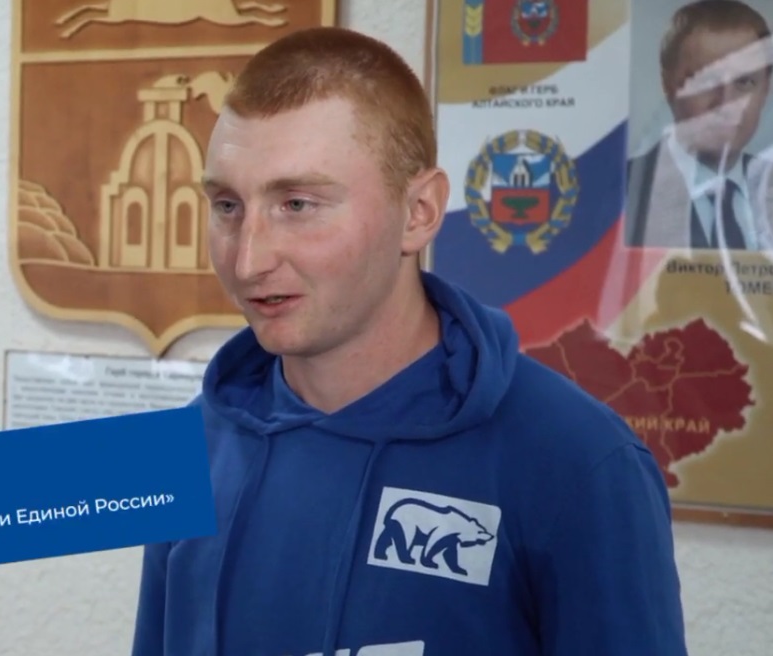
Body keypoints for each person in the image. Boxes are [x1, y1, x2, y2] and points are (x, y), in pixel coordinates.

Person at [130, 26, 688, 656]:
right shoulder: (186, 450)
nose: (249, 260)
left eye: (298, 204)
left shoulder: (579, 463)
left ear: (420, 212)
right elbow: (34, 505)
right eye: (228, 206)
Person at [625, 0, 773, 251]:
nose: (725, 104)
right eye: (706, 81)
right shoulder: (620, 194)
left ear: (766, 89)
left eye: (745, 82)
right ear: (668, 85)